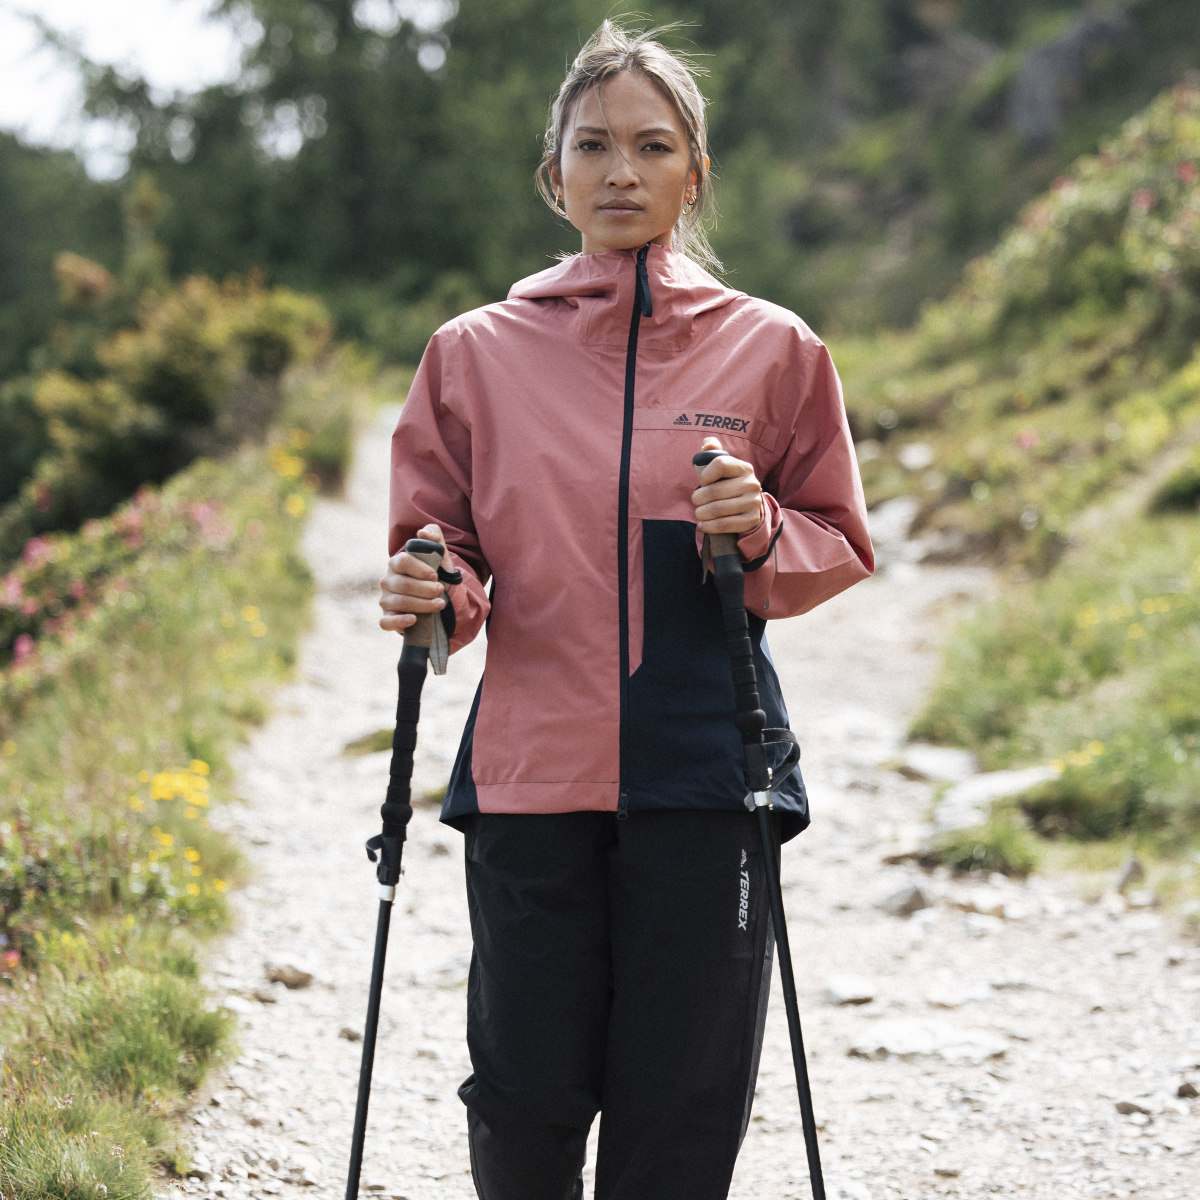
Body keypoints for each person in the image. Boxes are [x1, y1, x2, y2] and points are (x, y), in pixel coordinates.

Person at [378, 20, 873, 1200]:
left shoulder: (775, 350)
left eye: (652, 147)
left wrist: (755, 534)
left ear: (694, 174)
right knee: (522, 1100)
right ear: (553, 175)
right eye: (592, 146)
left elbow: (836, 540)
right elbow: (438, 552)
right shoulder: (472, 356)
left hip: (711, 773)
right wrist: (431, 591)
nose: (620, 171)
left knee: (684, 1112)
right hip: (528, 777)